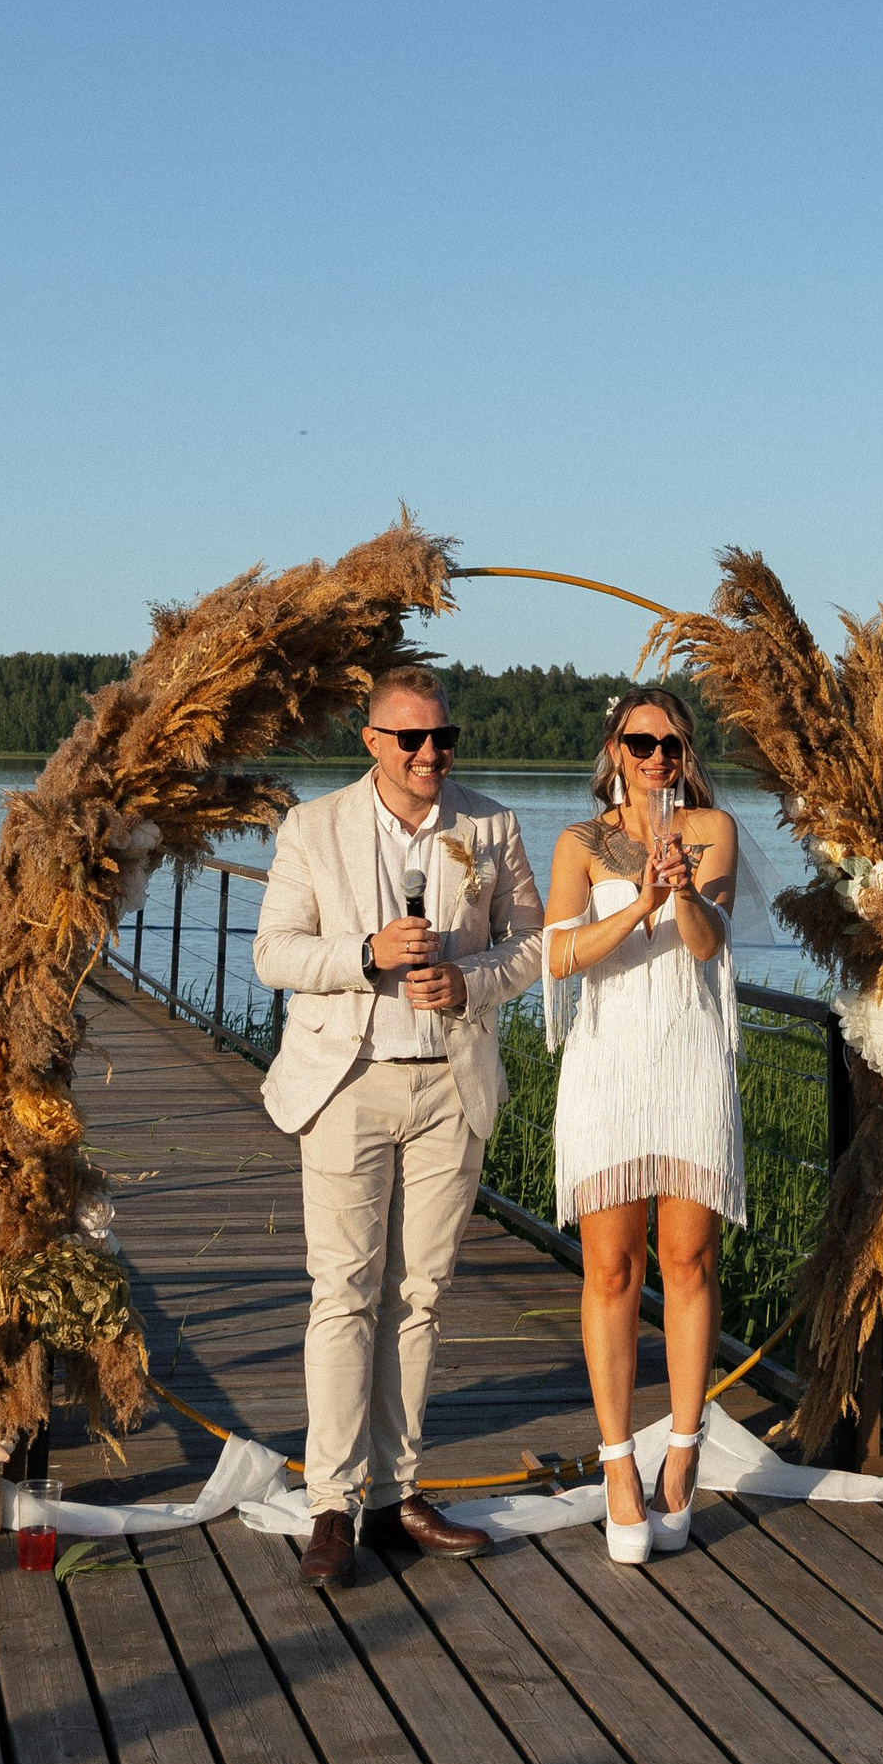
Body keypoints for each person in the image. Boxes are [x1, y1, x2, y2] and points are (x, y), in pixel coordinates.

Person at [251, 661, 546, 1586]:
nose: (431, 754)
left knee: (421, 1294)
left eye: (443, 738)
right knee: (344, 1292)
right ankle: (332, 1504)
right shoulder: (313, 827)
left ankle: (396, 1492)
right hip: (349, 1082)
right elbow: (273, 953)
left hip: (450, 1087)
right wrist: (364, 953)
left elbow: (531, 943)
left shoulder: (490, 824)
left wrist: (473, 980)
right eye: (412, 739)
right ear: (372, 741)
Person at [543, 689, 743, 1562]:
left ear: (685, 751)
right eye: (641, 741)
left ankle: (683, 1455)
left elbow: (707, 946)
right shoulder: (581, 843)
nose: (658, 755)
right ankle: (619, 1463)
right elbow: (557, 951)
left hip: (688, 1054)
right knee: (611, 1267)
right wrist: (633, 906)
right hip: (610, 1061)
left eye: (671, 742)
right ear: (615, 750)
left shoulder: (711, 831)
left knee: (689, 1260)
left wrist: (683, 892)